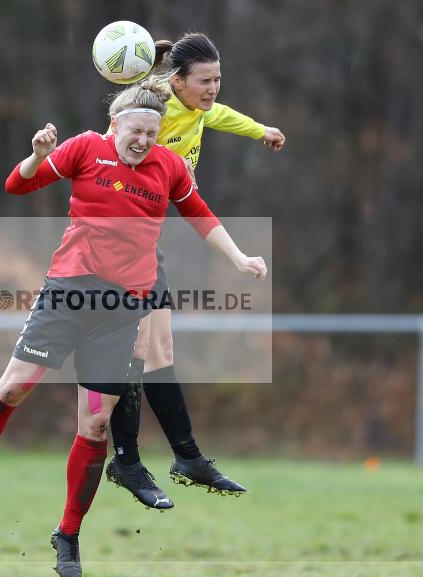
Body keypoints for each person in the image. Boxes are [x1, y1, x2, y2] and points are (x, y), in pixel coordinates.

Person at [0, 78, 268, 577]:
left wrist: (240, 258)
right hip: (66, 296)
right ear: (115, 125)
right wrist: (38, 156)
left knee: (95, 426)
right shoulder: (85, 148)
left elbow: (199, 214)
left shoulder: (169, 167)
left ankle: (68, 534)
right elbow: (16, 185)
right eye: (136, 131)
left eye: (152, 133)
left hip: (120, 311)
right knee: (13, 388)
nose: (144, 141)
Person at [104, 32, 286, 509]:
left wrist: (259, 129)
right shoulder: (153, 105)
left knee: (157, 348)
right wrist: (145, 70)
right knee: (139, 350)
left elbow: (220, 115)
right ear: (176, 81)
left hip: (149, 242)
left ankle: (184, 456)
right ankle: (127, 459)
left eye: (218, 79)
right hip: (120, 245)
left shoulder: (199, 107)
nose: (213, 89)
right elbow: (123, 125)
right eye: (204, 81)